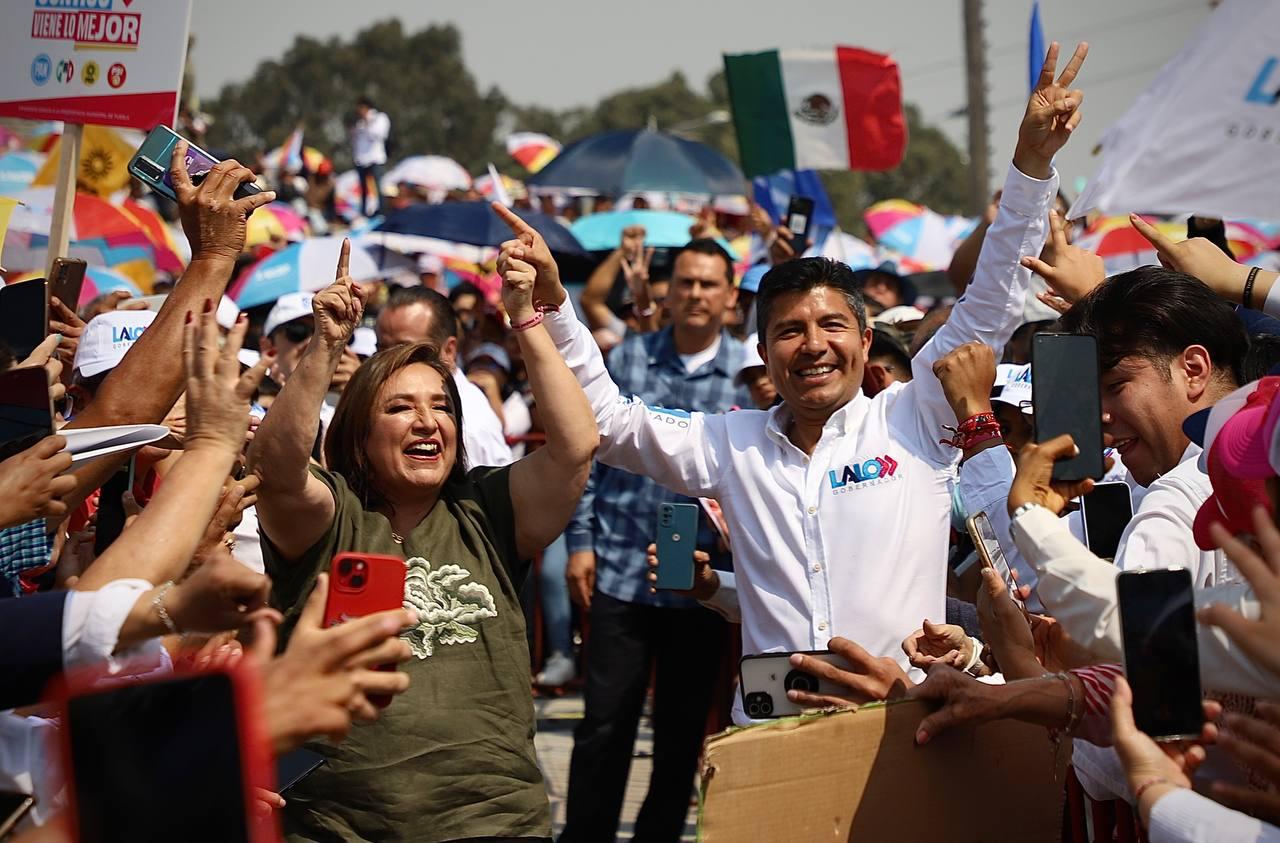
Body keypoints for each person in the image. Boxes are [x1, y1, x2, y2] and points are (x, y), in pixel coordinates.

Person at [500, 40, 1087, 725]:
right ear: (763, 352)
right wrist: (553, 306)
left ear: (866, 341)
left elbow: (989, 300)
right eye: (789, 331)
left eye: (832, 326)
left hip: (906, 727)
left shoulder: (914, 415)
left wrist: (1031, 166)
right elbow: (605, 419)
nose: (813, 344)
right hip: (771, 735)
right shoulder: (730, 442)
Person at [247, 241, 598, 841]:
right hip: (339, 826)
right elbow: (276, 470)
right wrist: (327, 343)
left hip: (494, 821)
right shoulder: (332, 516)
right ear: (359, 434)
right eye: (401, 408)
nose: (427, 421)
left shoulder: (487, 508)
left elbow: (576, 446)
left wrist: (527, 317)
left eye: (441, 407)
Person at [559, 238, 749, 842]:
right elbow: (585, 454)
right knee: (604, 725)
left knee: (681, 732)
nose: (695, 294)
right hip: (619, 567)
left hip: (703, 582)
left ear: (730, 296)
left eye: (708, 284)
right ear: (666, 292)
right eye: (685, 282)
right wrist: (580, 542)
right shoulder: (629, 357)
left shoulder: (752, 374)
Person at [375, 284, 515, 466]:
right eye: (381, 350)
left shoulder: (468, 426)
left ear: (449, 351)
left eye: (406, 350)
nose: (390, 362)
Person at [350, 96, 389, 217]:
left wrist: (368, 124)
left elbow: (379, 135)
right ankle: (363, 213)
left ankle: (382, 212)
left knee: (378, 188)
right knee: (363, 190)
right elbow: (357, 142)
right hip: (361, 160)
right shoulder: (359, 123)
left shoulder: (379, 118)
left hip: (375, 159)